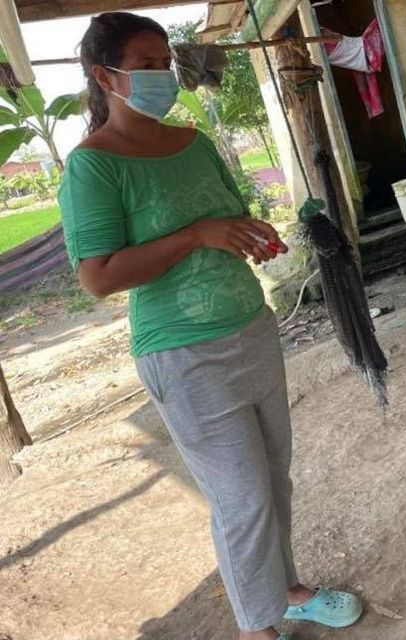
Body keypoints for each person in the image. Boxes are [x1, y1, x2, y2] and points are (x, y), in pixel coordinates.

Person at [59, 13, 361, 640]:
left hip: (250, 326)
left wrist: (250, 235)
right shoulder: (94, 166)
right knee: (241, 499)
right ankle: (257, 629)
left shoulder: (193, 143)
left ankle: (287, 591)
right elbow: (98, 277)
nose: (162, 75)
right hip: (183, 353)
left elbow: (226, 218)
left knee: (273, 479)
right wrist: (197, 235)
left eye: (164, 63)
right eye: (145, 65)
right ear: (104, 77)